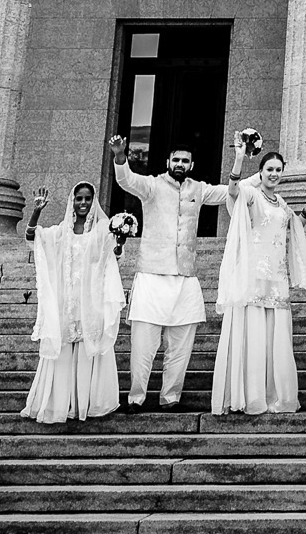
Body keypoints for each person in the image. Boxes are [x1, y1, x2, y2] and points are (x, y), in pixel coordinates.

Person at [106, 134, 229, 411]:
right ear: (167, 162)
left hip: (185, 277)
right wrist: (120, 156)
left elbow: (228, 192)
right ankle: (136, 398)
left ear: (192, 164)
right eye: (176, 159)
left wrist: (249, 168)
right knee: (143, 346)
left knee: (181, 346)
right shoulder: (152, 186)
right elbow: (127, 181)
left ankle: (170, 397)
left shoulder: (199, 189)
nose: (180, 164)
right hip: (152, 275)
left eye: (185, 161)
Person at [209, 139, 306, 416]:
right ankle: (251, 395)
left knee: (274, 338)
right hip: (254, 274)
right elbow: (232, 191)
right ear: (262, 170)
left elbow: (295, 227)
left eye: (279, 169)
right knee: (254, 335)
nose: (274, 174)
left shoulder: (281, 202)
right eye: (270, 169)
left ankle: (274, 395)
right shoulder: (252, 195)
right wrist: (239, 159)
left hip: (277, 278)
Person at [20, 181, 125, 424]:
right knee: (65, 349)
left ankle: (87, 403)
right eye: (79, 198)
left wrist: (119, 239)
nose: (83, 203)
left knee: (89, 348)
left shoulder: (101, 230)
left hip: (91, 299)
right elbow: (32, 238)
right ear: (72, 201)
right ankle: (61, 403)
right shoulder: (60, 232)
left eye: (88, 199)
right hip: (66, 299)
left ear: (94, 201)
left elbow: (115, 254)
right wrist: (36, 211)